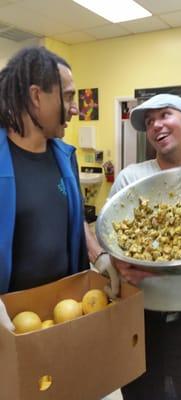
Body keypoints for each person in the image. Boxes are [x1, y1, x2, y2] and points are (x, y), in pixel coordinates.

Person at [110, 94, 181, 400]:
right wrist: (114, 266)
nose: (156, 125)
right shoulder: (131, 180)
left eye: (164, 115)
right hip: (140, 321)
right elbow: (111, 245)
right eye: (149, 122)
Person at [0, 46, 118, 330]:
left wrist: (99, 256)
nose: (76, 108)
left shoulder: (65, 156)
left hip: (64, 313)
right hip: (13, 320)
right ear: (36, 96)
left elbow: (75, 219)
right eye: (67, 97)